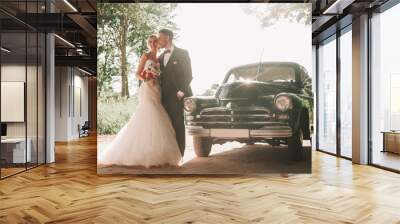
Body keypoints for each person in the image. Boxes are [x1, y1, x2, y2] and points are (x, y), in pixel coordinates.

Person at [98, 35, 182, 168]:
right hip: (147, 88)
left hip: (157, 90)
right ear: (148, 44)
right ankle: (139, 153)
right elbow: (137, 73)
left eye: (154, 41)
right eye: (150, 42)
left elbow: (163, 75)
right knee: (148, 113)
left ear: (158, 43)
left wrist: (157, 76)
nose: (152, 43)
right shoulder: (146, 56)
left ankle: (158, 153)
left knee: (158, 115)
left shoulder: (160, 58)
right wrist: (146, 77)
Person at [158, 28, 193, 156]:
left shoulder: (183, 53)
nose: (158, 40)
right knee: (166, 125)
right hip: (164, 97)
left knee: (178, 124)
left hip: (177, 95)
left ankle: (180, 154)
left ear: (168, 37)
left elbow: (189, 75)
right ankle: (170, 154)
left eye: (160, 37)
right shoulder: (160, 57)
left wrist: (181, 91)